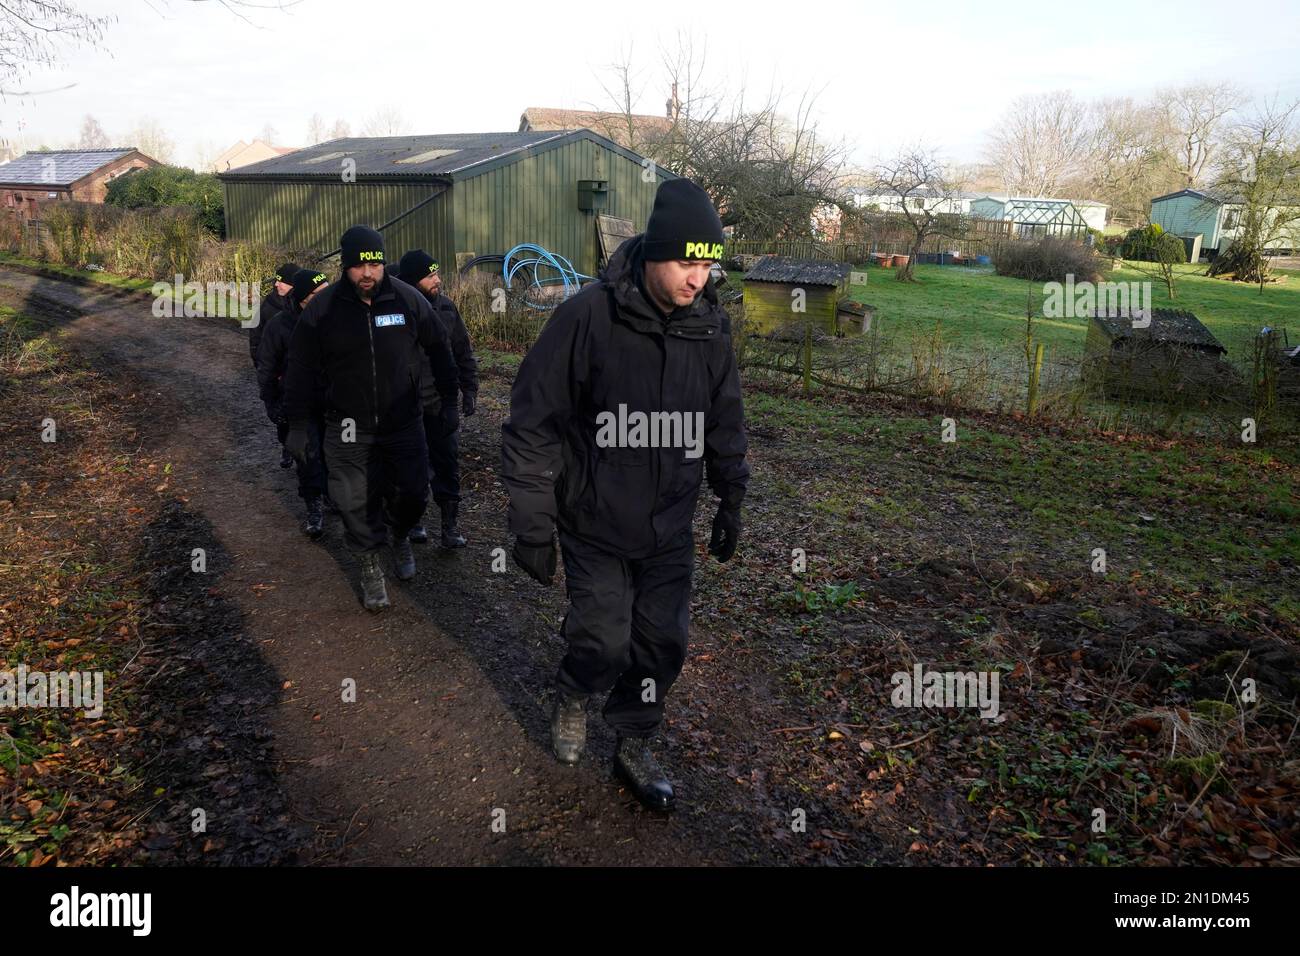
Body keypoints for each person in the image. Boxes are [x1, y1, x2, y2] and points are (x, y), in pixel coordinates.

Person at [501, 178, 749, 810]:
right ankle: (574, 692)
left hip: (669, 526)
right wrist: (532, 521)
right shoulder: (588, 317)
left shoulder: (709, 327)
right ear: (653, 255)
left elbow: (725, 417)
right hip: (594, 520)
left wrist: (731, 497)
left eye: (708, 262)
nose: (700, 277)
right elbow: (534, 420)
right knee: (601, 639)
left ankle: (635, 741)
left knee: (662, 642)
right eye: (688, 262)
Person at [282, 226, 458, 611]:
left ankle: (399, 534)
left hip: (403, 421)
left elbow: (440, 348)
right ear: (345, 266)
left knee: (413, 492)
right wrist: (296, 425)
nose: (368, 273)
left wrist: (449, 399)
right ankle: (370, 565)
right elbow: (299, 369)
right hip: (346, 425)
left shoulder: (408, 300)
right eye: (359, 265)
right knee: (352, 499)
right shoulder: (322, 310)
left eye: (374, 265)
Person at [396, 250, 478, 548]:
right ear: (411, 281)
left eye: (436, 273)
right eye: (430, 275)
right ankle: (414, 522)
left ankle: (449, 526)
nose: (438, 280)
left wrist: (468, 389)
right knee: (411, 468)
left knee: (447, 463)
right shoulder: (395, 313)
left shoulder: (446, 308)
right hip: (406, 407)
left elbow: (463, 351)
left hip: (440, 405)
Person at [257, 268, 330, 538]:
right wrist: (271, 404)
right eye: (317, 294)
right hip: (299, 405)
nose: (327, 297)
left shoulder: (337, 318)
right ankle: (314, 507)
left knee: (335, 454)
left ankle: (332, 494)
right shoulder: (279, 325)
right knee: (308, 457)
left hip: (334, 402)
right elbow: (266, 367)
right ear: (302, 298)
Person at [253, 262, 301, 468]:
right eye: (276, 280)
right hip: (278, 373)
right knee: (283, 418)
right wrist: (264, 369)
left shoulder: (307, 306)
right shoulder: (267, 306)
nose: (277, 284)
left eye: (281, 281)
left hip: (300, 372)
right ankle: (287, 445)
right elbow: (255, 339)